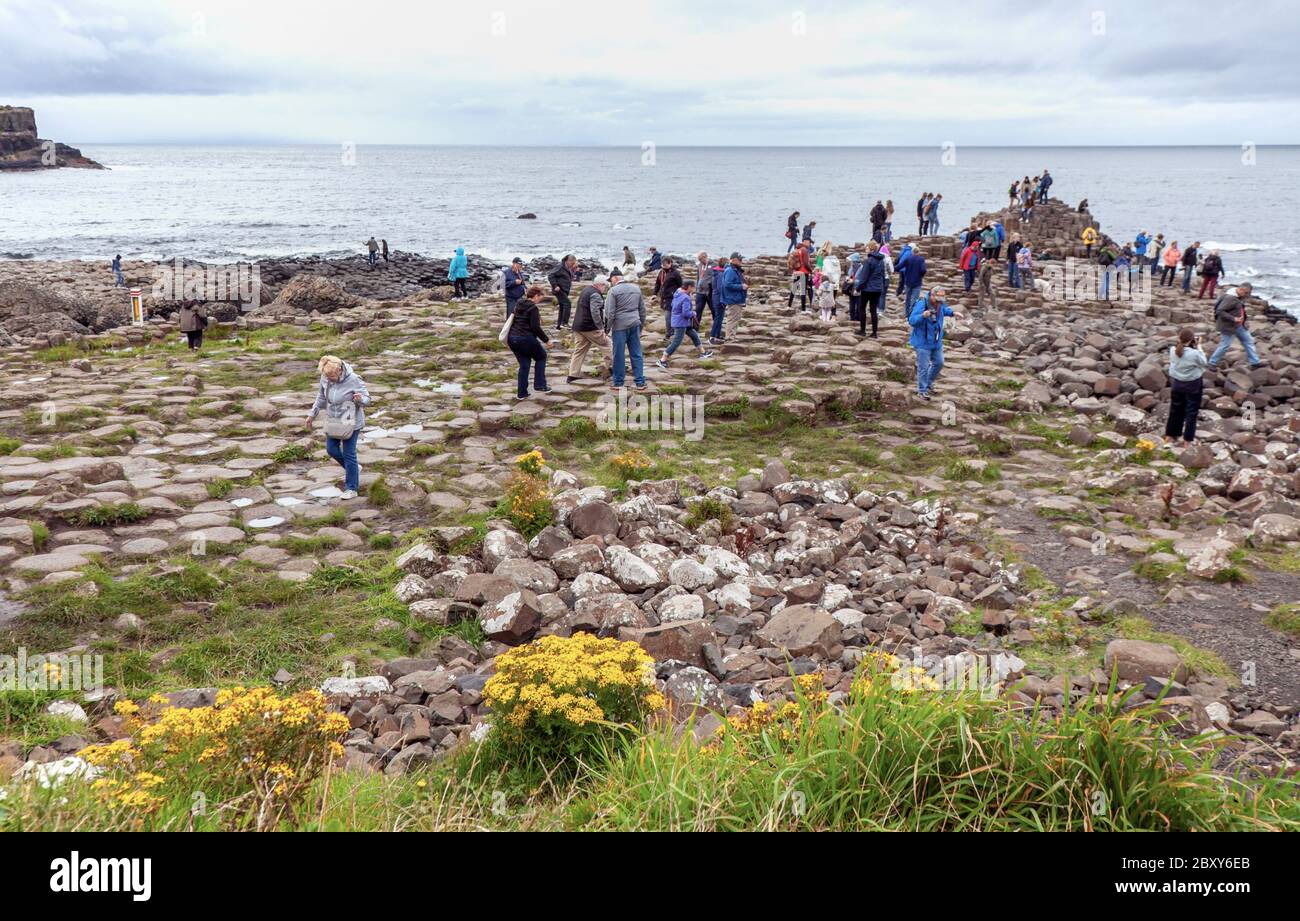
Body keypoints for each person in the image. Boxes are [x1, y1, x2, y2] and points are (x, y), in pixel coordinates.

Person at [306, 354, 370, 500]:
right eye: (327, 376)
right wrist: (312, 414)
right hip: (334, 420)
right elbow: (321, 397)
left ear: (340, 370)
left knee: (349, 454)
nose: (329, 379)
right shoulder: (325, 377)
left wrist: (360, 400)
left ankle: (351, 488)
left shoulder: (354, 379)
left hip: (350, 420)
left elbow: (367, 399)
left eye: (332, 376)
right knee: (331, 449)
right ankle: (353, 469)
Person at [908, 287, 962, 401]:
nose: (939, 301)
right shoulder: (921, 304)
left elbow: (944, 309)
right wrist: (923, 316)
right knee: (923, 367)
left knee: (939, 362)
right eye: (937, 299)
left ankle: (928, 383)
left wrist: (953, 313)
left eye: (941, 299)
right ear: (931, 295)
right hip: (922, 341)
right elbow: (912, 321)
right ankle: (922, 391)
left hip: (936, 341)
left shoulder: (940, 303)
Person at [506, 286, 552, 399]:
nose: (540, 300)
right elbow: (535, 327)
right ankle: (540, 385)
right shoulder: (533, 308)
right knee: (541, 357)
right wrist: (547, 340)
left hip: (513, 338)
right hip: (526, 338)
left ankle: (521, 393)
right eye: (540, 297)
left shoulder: (519, 304)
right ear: (536, 296)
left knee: (524, 364)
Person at [656, 280, 714, 368]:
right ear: (689, 287)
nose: (695, 289)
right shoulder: (686, 298)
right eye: (694, 287)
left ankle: (703, 353)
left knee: (694, 335)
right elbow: (686, 313)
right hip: (681, 323)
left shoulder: (677, 293)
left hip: (680, 321)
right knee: (676, 342)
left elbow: (673, 305)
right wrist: (693, 313)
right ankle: (662, 359)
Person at [605, 270, 647, 390]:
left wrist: (607, 328)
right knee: (636, 353)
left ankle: (618, 382)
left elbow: (610, 312)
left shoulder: (613, 291)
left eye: (611, 280)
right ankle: (640, 382)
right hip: (635, 324)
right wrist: (641, 325)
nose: (611, 282)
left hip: (619, 326)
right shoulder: (636, 288)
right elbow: (642, 310)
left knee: (618, 354)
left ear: (614, 279)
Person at [1165, 328, 1207, 446]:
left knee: (1175, 410)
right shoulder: (1195, 353)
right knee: (1191, 412)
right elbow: (1204, 362)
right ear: (1192, 340)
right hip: (1193, 384)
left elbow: (1181, 351)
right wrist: (1199, 346)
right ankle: (1187, 440)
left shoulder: (1173, 350)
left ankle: (1170, 436)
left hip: (1177, 383)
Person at [568, 275, 613, 383]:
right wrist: (601, 327)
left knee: (579, 350)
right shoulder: (595, 294)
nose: (604, 290)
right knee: (607, 344)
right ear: (600, 285)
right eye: (605, 287)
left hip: (578, 326)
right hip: (590, 327)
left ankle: (572, 375)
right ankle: (613, 368)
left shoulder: (586, 290)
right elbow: (595, 312)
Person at [1208, 283, 1262, 369]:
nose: (1247, 295)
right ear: (1240, 289)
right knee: (1225, 345)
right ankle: (1212, 362)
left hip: (1239, 326)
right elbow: (1219, 311)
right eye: (1246, 293)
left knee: (1248, 341)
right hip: (1228, 326)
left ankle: (1255, 362)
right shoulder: (1230, 298)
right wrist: (1233, 318)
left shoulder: (1238, 296)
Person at [853, 241, 887, 338]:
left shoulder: (869, 261)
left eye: (867, 247)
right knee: (873, 310)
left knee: (862, 308)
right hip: (877, 289)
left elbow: (864, 277)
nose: (865, 249)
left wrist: (858, 288)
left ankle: (863, 330)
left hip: (868, 289)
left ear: (870, 249)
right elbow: (882, 275)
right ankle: (874, 332)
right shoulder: (881, 260)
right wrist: (882, 286)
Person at [653, 255, 683, 341]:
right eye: (662, 265)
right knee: (669, 316)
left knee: (668, 316)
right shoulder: (661, 272)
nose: (663, 267)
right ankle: (673, 332)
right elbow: (658, 284)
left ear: (670, 264)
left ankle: (669, 334)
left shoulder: (675, 273)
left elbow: (680, 285)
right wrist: (654, 294)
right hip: (664, 297)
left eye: (665, 265)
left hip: (672, 298)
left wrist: (679, 296)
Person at [720, 252, 748, 341]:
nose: (741, 261)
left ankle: (731, 336)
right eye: (740, 260)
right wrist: (741, 286)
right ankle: (729, 337)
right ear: (734, 260)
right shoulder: (730, 270)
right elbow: (727, 284)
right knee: (733, 318)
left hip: (735, 298)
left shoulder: (733, 269)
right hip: (733, 298)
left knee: (735, 318)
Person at [548, 254, 577, 329]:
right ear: (568, 261)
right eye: (572, 263)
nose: (573, 264)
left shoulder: (568, 267)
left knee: (562, 306)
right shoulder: (560, 267)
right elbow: (550, 275)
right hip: (559, 290)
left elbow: (570, 276)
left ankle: (559, 325)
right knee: (567, 304)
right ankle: (564, 323)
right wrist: (555, 285)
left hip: (565, 289)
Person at [900, 244, 927, 313]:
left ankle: (906, 312)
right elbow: (923, 270)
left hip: (908, 281)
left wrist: (903, 273)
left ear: (912, 252)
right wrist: (921, 275)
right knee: (915, 299)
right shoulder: (921, 259)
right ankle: (912, 312)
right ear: (919, 252)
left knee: (908, 298)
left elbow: (899, 266)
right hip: (917, 282)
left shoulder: (908, 259)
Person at [708, 256, 728, 344]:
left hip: (715, 297)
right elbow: (720, 288)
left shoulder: (716, 273)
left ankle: (717, 335)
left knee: (719, 317)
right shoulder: (720, 274)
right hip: (719, 298)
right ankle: (712, 336)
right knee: (718, 318)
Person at [787, 242, 811, 312]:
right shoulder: (804, 250)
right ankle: (803, 309)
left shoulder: (796, 251)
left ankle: (789, 305)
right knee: (803, 291)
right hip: (804, 272)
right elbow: (806, 263)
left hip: (796, 272)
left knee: (794, 289)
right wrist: (810, 270)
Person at [845, 251, 863, 321]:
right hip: (851, 288)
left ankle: (858, 318)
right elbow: (849, 275)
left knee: (858, 304)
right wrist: (848, 279)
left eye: (852, 261)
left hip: (858, 289)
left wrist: (854, 281)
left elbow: (862, 280)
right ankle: (852, 318)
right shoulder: (851, 268)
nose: (851, 263)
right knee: (852, 304)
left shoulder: (862, 268)